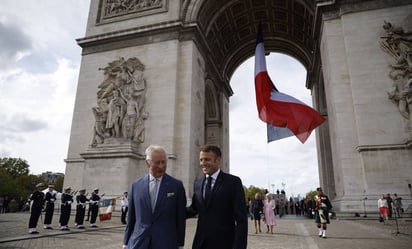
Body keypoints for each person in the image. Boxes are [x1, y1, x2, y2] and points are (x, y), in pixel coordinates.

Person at [123, 145, 186, 249]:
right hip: (139, 242)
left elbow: (180, 219)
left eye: (163, 162)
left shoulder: (176, 186)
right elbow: (131, 218)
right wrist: (125, 242)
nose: (161, 166)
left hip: (166, 243)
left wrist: (180, 244)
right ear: (148, 163)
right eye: (157, 163)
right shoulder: (136, 186)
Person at [187, 145, 248, 249]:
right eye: (201, 160)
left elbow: (241, 219)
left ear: (218, 160)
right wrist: (171, 209)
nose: (203, 163)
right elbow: (194, 209)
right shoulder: (197, 183)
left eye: (207, 159)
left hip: (224, 243)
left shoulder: (233, 182)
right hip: (200, 243)